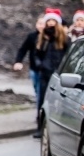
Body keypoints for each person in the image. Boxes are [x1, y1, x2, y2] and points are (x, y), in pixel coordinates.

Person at [34, 8, 70, 138]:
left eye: (52, 20)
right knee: (42, 101)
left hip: (59, 75)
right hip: (45, 74)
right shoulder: (43, 37)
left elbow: (68, 55)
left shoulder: (64, 38)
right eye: (48, 20)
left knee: (60, 102)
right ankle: (40, 128)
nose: (50, 23)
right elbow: (37, 54)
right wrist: (40, 65)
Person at [13, 14, 47, 114]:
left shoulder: (50, 38)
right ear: (36, 24)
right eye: (39, 23)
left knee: (42, 92)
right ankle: (39, 111)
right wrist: (18, 61)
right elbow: (23, 49)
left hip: (45, 70)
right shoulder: (32, 37)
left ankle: (39, 114)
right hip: (34, 69)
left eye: (43, 24)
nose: (41, 26)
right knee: (37, 90)